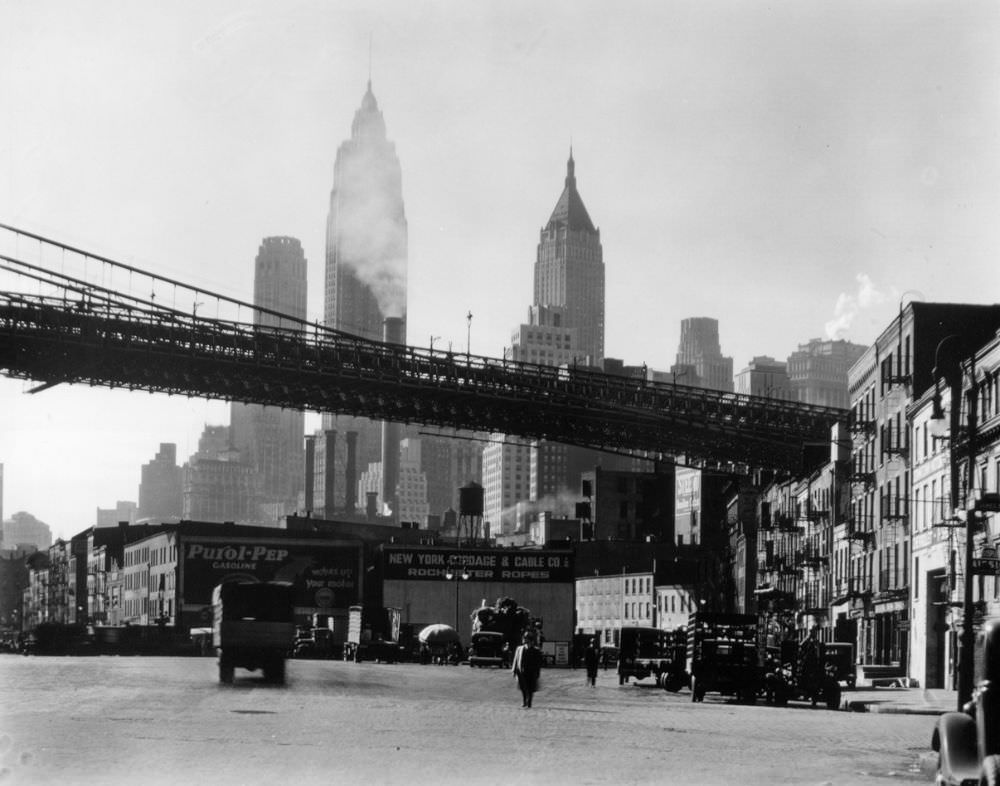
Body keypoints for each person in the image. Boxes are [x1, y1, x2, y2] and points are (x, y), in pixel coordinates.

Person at [511, 633, 543, 708]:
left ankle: (529, 702)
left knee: (530, 688)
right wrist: (514, 670)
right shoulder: (520, 649)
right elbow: (516, 659)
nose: (525, 640)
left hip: (531, 672)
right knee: (523, 687)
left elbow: (538, 663)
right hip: (521, 671)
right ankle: (524, 700)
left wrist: (537, 672)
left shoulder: (536, 650)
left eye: (527, 639)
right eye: (525, 638)